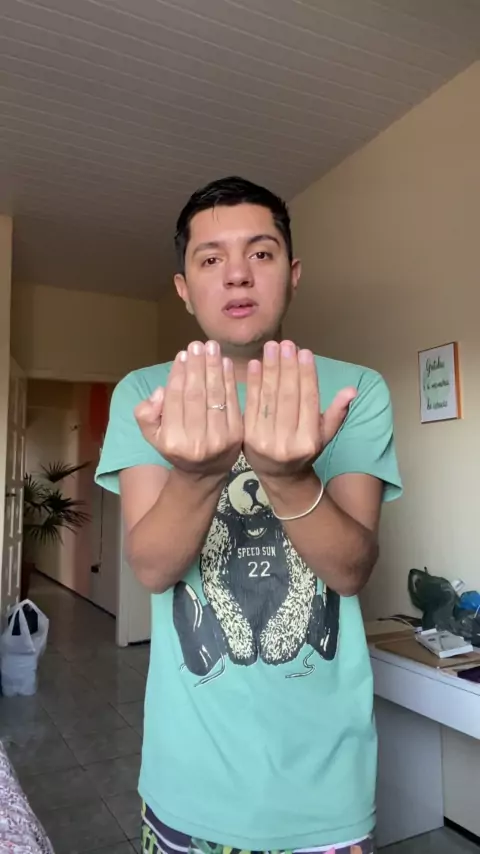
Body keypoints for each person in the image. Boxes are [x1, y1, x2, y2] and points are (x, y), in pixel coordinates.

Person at [95, 176, 402, 854]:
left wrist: (288, 477)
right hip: (187, 780)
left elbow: (351, 570)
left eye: (261, 253)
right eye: (211, 259)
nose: (237, 274)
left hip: (325, 789)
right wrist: (199, 475)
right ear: (184, 287)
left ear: (292, 274)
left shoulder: (355, 392)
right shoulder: (147, 393)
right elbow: (152, 568)